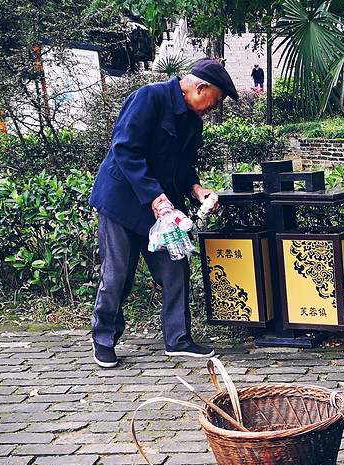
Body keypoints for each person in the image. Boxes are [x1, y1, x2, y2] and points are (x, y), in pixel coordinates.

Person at [89, 58, 238, 368]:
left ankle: (178, 339)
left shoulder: (192, 122)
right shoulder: (150, 97)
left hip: (162, 211)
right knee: (117, 275)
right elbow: (125, 149)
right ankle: (103, 339)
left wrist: (198, 191)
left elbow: (182, 168)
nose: (214, 109)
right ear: (201, 88)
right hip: (122, 202)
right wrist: (155, 197)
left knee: (176, 267)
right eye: (216, 101)